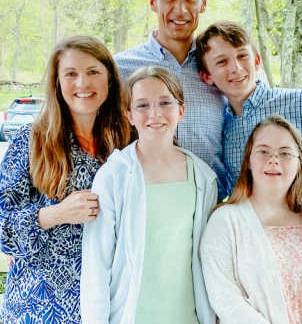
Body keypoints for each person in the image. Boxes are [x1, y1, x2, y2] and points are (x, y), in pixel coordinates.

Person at [0, 35, 130, 324]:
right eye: (71, 74)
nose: (82, 84)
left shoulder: (130, 140)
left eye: (93, 72)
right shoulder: (31, 139)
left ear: (110, 79)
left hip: (113, 303)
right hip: (41, 306)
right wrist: (54, 214)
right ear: (57, 83)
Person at [194, 20, 302, 241]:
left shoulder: (300, 103)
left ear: (257, 60)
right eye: (222, 61)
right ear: (207, 76)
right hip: (252, 245)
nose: (236, 68)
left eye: (242, 56)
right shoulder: (221, 128)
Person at [81, 66, 217, 324]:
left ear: (181, 111)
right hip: (132, 315)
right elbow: (96, 267)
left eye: (165, 102)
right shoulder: (113, 177)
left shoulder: (203, 177)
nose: (155, 113)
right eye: (142, 105)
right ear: (129, 115)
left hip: (188, 316)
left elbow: (205, 257)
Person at [200, 115, 302, 324]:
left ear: (300, 164)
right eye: (263, 151)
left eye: (285, 153)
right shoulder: (226, 221)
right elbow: (224, 297)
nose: (274, 159)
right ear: (248, 161)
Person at [112, 0, 228, 188]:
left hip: (211, 209)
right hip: (143, 207)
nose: (181, 9)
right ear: (153, 1)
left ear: (203, 3)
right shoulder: (118, 70)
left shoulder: (220, 69)